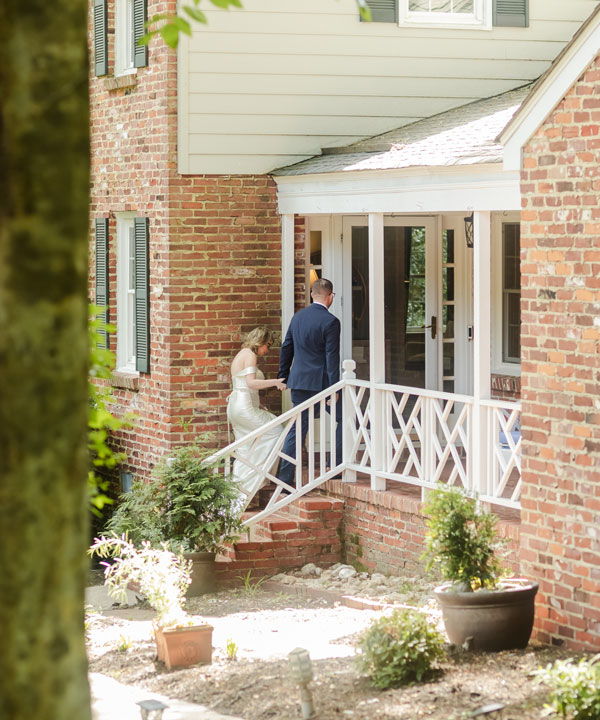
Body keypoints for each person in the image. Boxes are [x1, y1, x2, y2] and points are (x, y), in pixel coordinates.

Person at [277, 278, 342, 487]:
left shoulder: (297, 318)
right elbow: (332, 357)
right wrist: (334, 388)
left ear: (312, 295)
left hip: (298, 381)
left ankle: (284, 480)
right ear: (330, 296)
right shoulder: (331, 322)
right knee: (345, 417)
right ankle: (336, 466)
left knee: (297, 428)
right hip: (322, 383)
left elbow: (286, 347)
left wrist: (283, 376)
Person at [227, 328, 286, 507]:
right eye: (268, 345)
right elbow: (250, 383)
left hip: (237, 405)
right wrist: (275, 382)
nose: (267, 350)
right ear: (260, 342)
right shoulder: (250, 355)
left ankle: (237, 495)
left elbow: (241, 384)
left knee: (244, 449)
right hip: (244, 407)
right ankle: (257, 476)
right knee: (276, 430)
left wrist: (258, 404)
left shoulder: (241, 354)